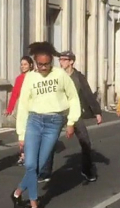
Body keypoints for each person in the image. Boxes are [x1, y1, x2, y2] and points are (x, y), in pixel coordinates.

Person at [11, 42, 81, 208]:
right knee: (30, 166)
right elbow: (23, 106)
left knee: (40, 165)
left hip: (54, 122)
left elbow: (73, 98)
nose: (43, 67)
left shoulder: (60, 75)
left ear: (52, 61)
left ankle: (17, 192)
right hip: (34, 121)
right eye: (39, 64)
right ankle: (34, 205)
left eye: (46, 64)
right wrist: (21, 134)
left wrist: (71, 121)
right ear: (35, 62)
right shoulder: (30, 78)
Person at [40, 50, 102, 182]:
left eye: (64, 59)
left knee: (85, 141)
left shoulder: (78, 77)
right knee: (50, 141)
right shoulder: (55, 75)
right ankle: (45, 172)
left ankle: (87, 170)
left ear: (71, 62)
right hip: (58, 112)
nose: (61, 62)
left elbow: (88, 94)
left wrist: (97, 112)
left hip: (75, 113)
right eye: (60, 59)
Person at [5, 56, 34, 165]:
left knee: (32, 131)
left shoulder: (35, 76)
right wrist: (9, 109)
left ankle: (32, 153)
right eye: (21, 64)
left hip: (34, 107)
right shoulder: (19, 78)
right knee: (21, 130)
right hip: (22, 108)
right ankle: (22, 155)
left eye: (25, 64)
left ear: (31, 65)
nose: (23, 66)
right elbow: (14, 95)